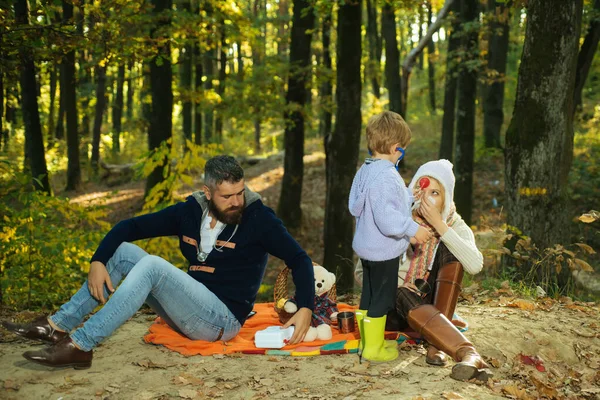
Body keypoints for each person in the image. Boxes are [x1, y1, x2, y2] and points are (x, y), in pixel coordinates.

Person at [2, 155, 315, 369]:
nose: (236, 202)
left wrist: (305, 307)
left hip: (222, 320)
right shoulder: (189, 212)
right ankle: (56, 326)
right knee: (123, 251)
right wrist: (98, 261)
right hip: (191, 307)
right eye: (227, 196)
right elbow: (130, 227)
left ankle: (81, 345)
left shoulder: (259, 218)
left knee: (152, 266)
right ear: (207, 192)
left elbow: (299, 259)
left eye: (240, 193)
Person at [355, 159, 492, 381]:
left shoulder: (454, 225)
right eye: (422, 188)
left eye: (435, 193)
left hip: (432, 304)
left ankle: (436, 345)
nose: (426, 197)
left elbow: (475, 265)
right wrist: (395, 284)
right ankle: (466, 351)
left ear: (446, 198)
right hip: (392, 308)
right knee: (400, 293)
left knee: (452, 247)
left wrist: (440, 226)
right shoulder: (394, 220)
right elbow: (361, 272)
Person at [348, 111, 431, 363]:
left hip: (366, 249)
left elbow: (366, 205)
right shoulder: (387, 176)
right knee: (382, 300)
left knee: (368, 296)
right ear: (397, 149)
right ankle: (374, 349)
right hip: (383, 250)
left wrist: (409, 196)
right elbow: (386, 217)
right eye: (402, 150)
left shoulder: (366, 170)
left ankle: (365, 342)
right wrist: (412, 229)